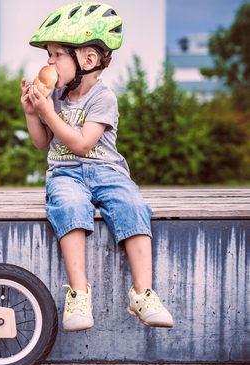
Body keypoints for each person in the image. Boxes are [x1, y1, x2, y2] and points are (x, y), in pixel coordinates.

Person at [21, 2, 174, 331]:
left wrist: (48, 113)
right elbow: (41, 143)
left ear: (87, 60)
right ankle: (78, 293)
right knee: (69, 206)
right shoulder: (56, 95)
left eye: (55, 55)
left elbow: (82, 143)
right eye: (48, 56)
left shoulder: (104, 97)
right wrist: (33, 113)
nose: (48, 63)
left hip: (107, 171)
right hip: (65, 174)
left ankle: (142, 293)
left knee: (133, 205)